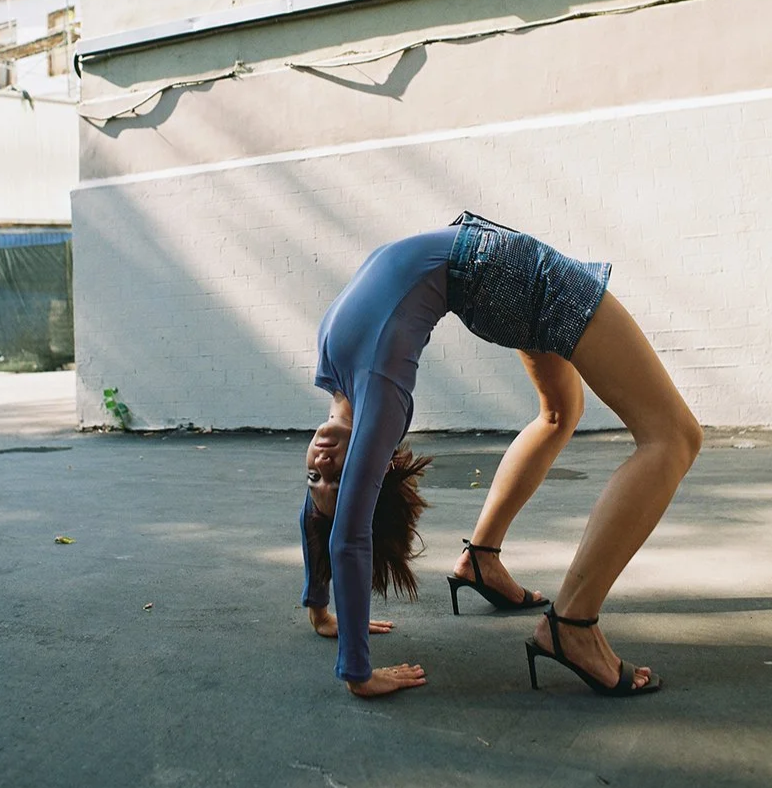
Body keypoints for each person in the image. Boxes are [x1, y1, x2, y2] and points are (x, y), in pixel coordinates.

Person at [299, 211, 702, 699]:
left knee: (560, 411)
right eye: (336, 479)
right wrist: (358, 673)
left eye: (314, 479)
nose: (321, 466)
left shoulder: (335, 376)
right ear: (375, 464)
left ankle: (482, 559)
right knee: (675, 436)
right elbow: (347, 535)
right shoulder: (379, 398)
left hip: (483, 275)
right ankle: (573, 624)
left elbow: (323, 523)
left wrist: (319, 607)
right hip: (498, 272)